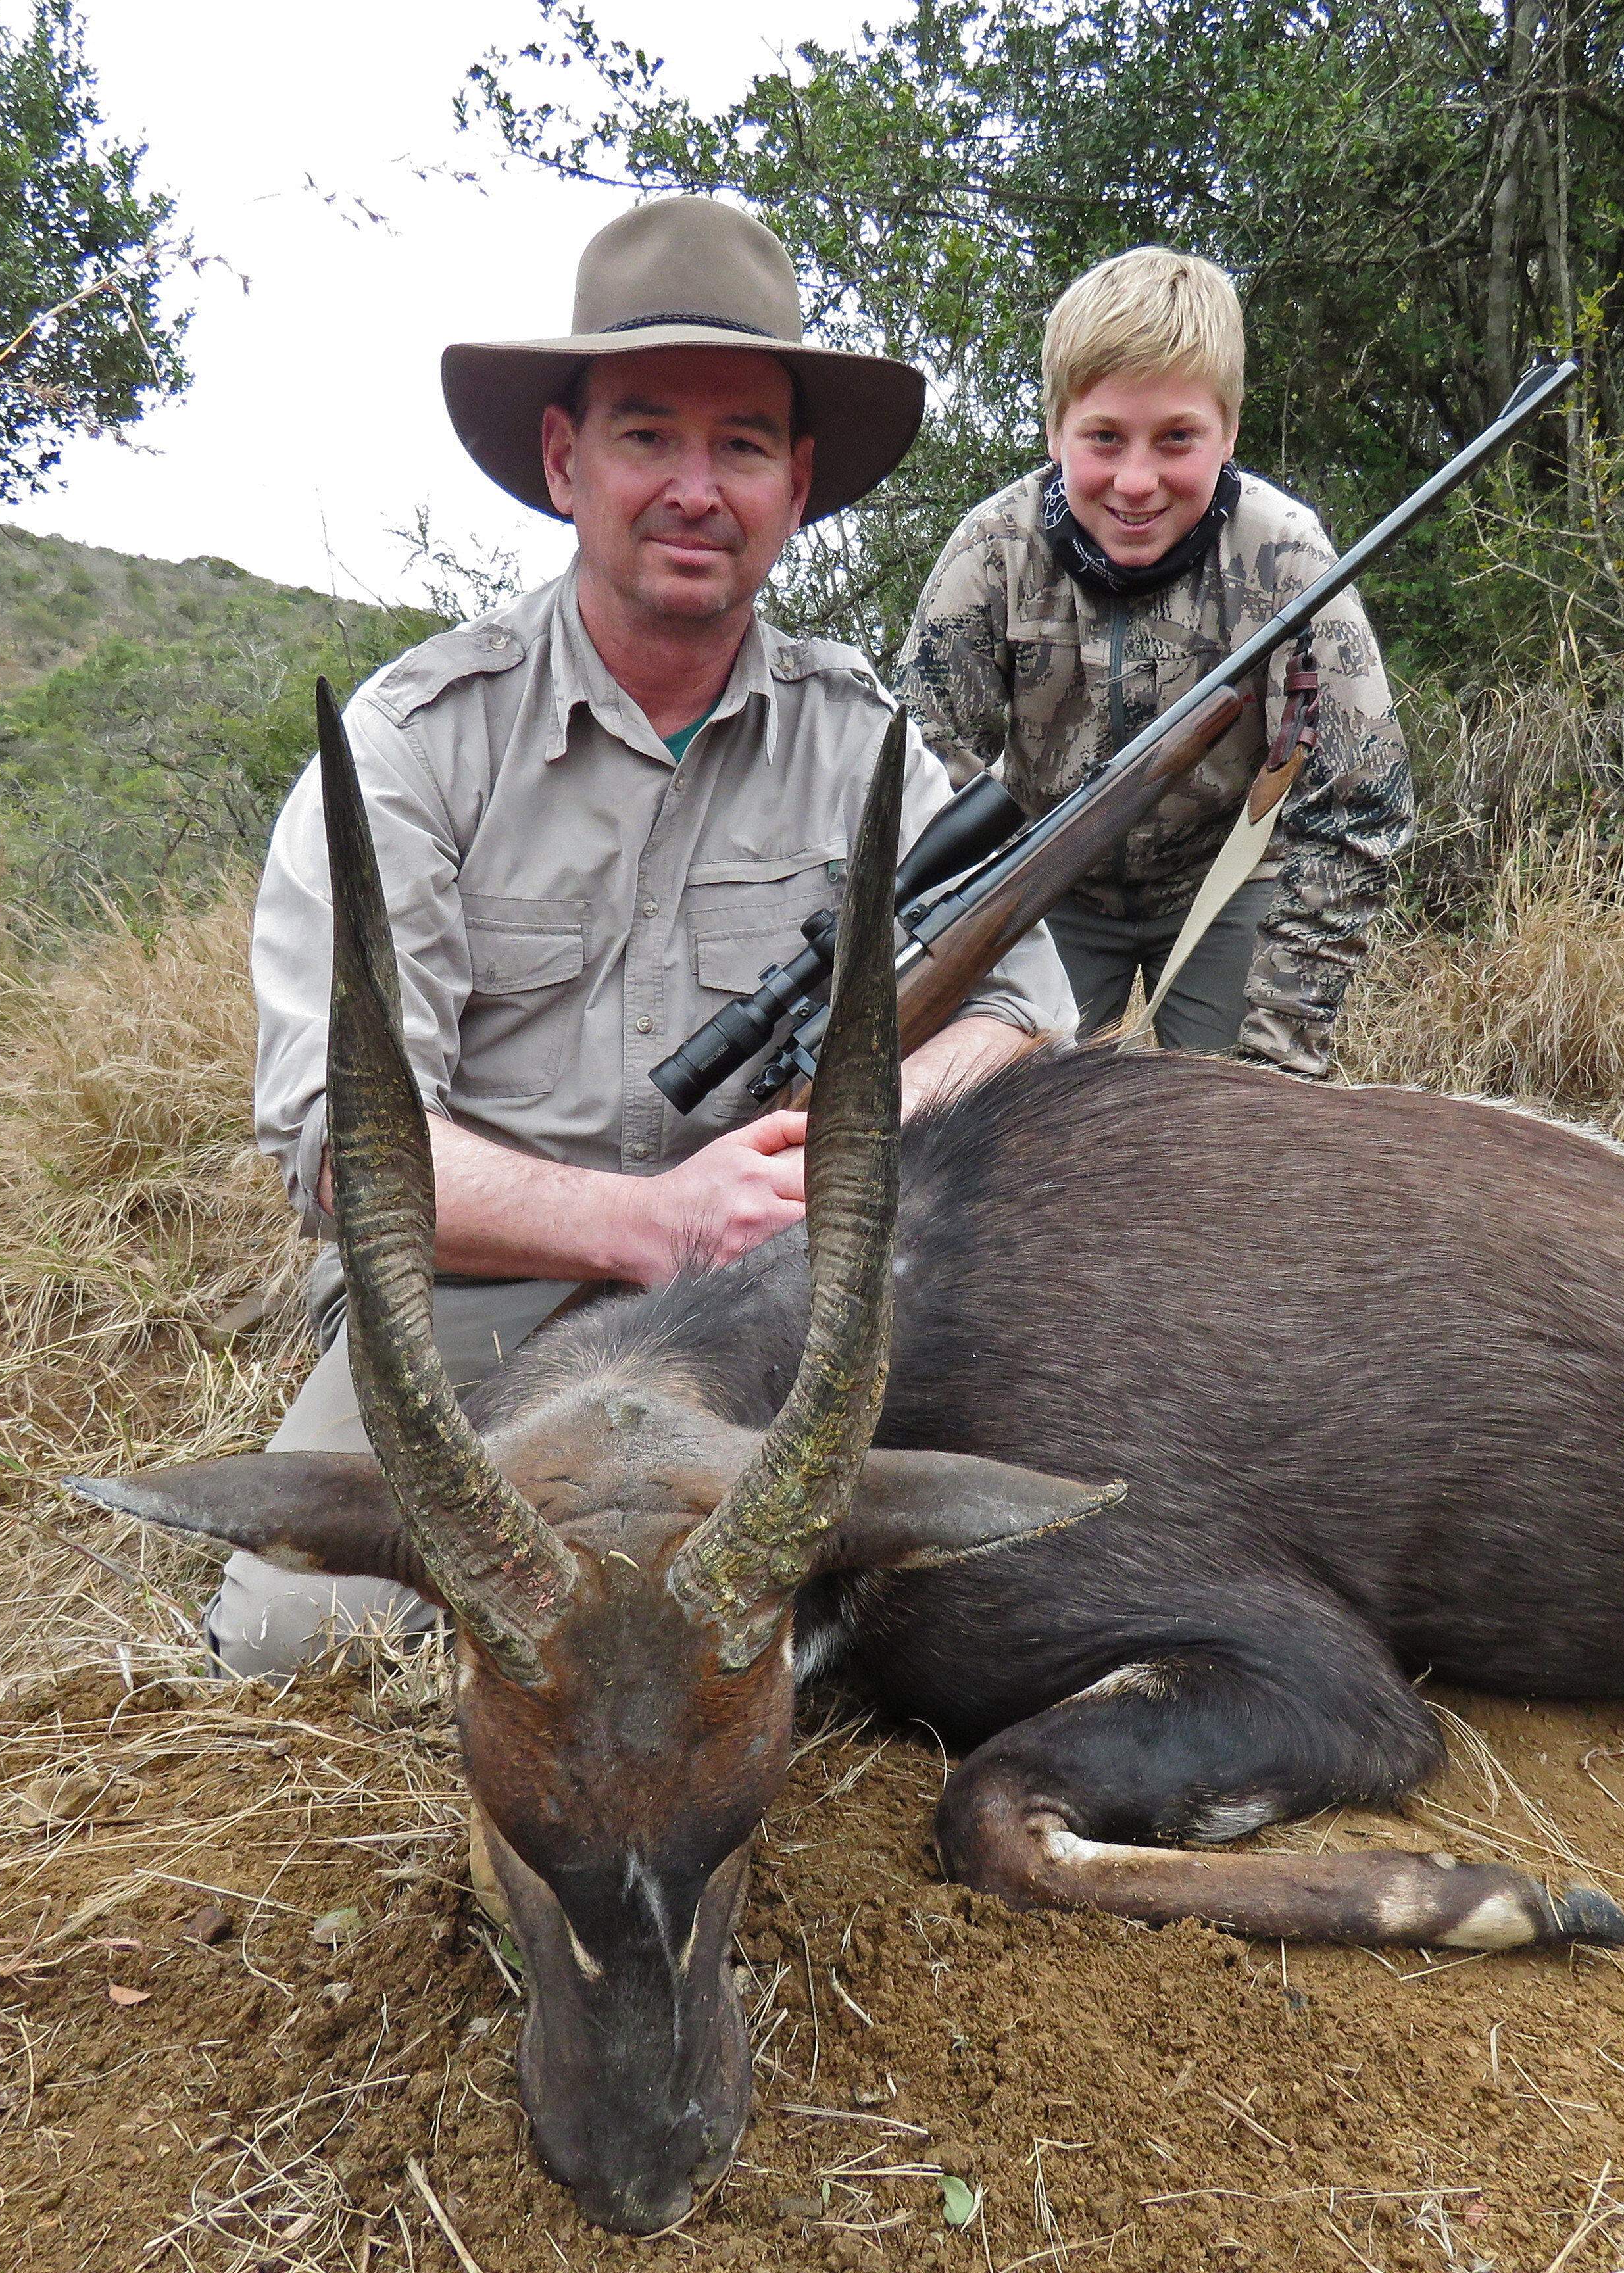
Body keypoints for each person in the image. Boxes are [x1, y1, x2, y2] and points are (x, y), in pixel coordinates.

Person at [212, 198, 1076, 1676]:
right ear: (564, 461)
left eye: (742, 444)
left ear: (796, 484)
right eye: (646, 437)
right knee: (304, 1649)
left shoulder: (866, 746)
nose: (697, 487)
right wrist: (649, 1219)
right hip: (484, 1310)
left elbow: (1020, 1011)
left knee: (1056, 1571)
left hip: (767, 1311)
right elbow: (342, 1147)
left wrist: (849, 1145)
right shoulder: (412, 748)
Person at [900, 247, 1414, 1075]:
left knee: (1234, 1148)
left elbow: (1360, 802)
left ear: (1230, 432)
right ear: (1053, 431)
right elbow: (925, 781)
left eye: (1177, 438)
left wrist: (1273, 1062)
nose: (1136, 482)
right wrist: (969, 958)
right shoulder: (992, 551)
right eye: (1104, 438)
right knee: (1009, 1152)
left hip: (1224, 881)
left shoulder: (1285, 552)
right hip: (1039, 891)